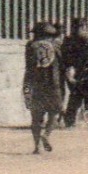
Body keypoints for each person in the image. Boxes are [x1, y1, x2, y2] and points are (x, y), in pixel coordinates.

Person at [23, 21, 64, 154]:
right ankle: (46, 134)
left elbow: (28, 66)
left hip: (35, 83)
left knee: (35, 117)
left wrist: (27, 86)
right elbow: (62, 63)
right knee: (54, 112)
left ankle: (36, 147)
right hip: (53, 84)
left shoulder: (30, 46)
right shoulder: (56, 46)